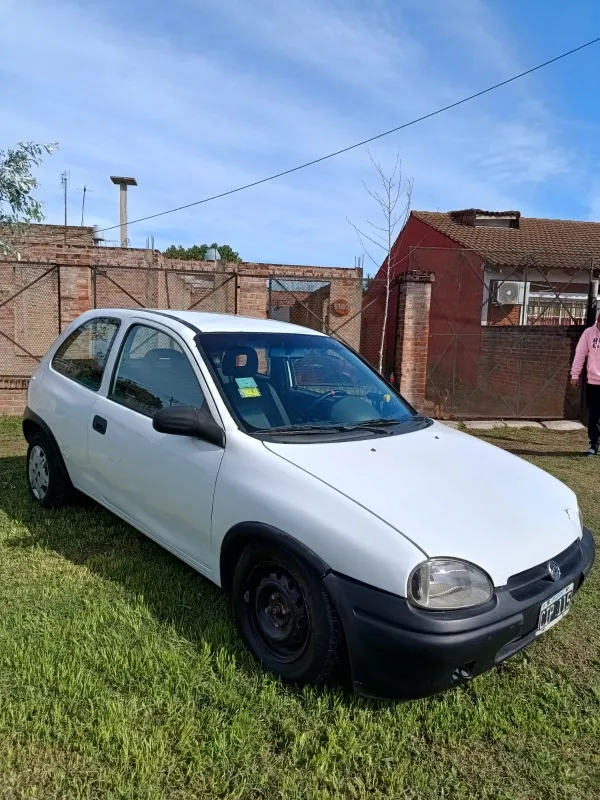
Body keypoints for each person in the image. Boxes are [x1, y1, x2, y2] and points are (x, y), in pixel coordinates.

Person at [571, 313, 600, 455]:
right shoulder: (589, 333)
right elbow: (580, 355)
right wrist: (575, 375)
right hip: (594, 382)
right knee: (594, 415)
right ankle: (594, 445)